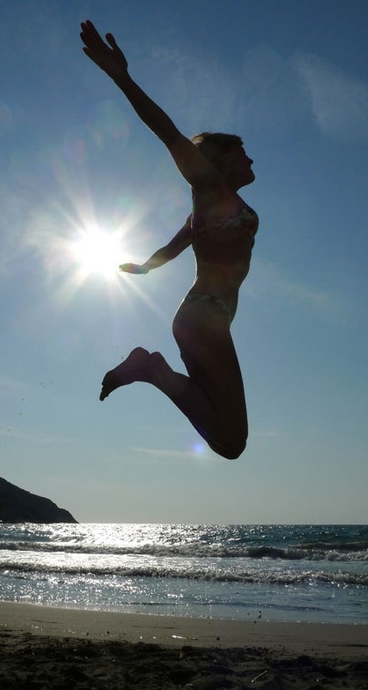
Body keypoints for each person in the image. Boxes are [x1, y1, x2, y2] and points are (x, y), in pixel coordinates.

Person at [80, 20, 259, 459]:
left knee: (229, 442)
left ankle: (151, 368)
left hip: (203, 320)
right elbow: (167, 131)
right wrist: (122, 77)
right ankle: (151, 368)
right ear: (221, 161)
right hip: (203, 318)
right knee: (231, 441)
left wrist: (142, 267)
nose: (251, 157)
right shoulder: (207, 187)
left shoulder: (208, 209)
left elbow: (174, 247)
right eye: (242, 151)